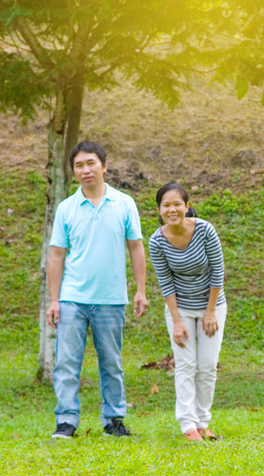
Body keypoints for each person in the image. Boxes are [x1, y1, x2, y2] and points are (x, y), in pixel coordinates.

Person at [46, 141, 148, 439]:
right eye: (79, 165)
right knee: (66, 362)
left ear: (104, 166)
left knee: (112, 363)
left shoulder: (124, 203)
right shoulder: (66, 208)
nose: (85, 170)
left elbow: (136, 246)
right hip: (72, 299)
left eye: (91, 163)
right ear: (74, 172)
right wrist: (54, 300)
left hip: (111, 298)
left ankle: (113, 420)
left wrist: (140, 290)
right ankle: (66, 421)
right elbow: (56, 255)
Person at [148, 183, 227, 442]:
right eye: (166, 205)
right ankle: (188, 425)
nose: (172, 209)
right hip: (179, 308)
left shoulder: (204, 230)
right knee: (185, 364)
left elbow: (218, 270)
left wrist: (211, 311)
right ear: (159, 209)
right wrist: (177, 321)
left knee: (206, 365)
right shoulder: (157, 241)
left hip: (212, 306)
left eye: (177, 204)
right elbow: (165, 281)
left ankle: (203, 422)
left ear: (186, 205)